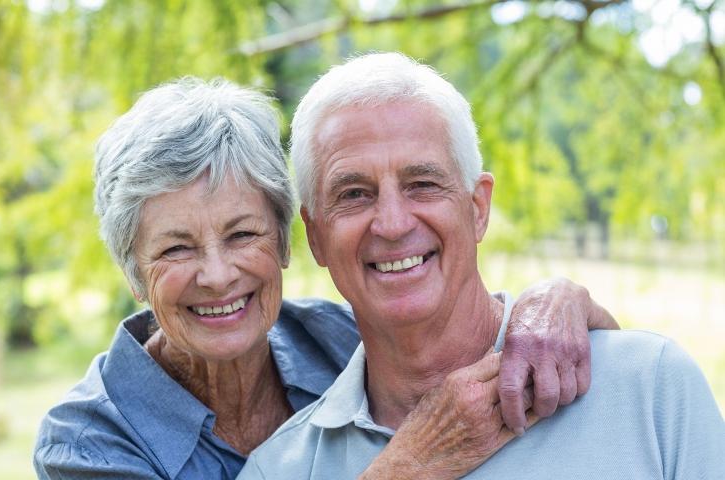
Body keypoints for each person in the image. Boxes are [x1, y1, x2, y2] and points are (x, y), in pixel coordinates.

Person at [34, 77, 615, 480]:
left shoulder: (341, 338)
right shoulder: (87, 443)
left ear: (288, 242)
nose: (216, 275)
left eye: (242, 235)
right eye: (177, 248)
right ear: (134, 272)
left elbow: (518, 348)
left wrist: (556, 301)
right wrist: (410, 465)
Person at [238, 52, 725, 479]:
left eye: (422, 184)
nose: (390, 223)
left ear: (478, 209)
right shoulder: (278, 469)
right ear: (317, 235)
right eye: (354, 194)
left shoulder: (651, 388)